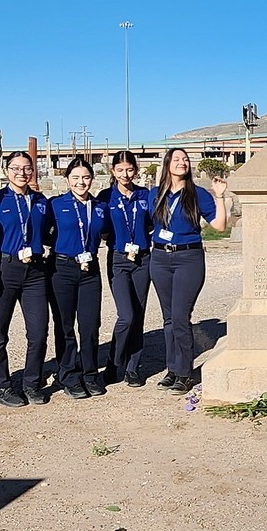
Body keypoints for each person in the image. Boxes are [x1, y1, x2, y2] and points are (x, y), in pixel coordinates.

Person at [148, 148, 228, 394]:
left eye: (185, 159)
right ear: (167, 165)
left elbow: (220, 225)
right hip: (160, 258)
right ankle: (172, 369)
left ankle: (184, 372)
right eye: (176, 159)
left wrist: (220, 196)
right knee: (168, 318)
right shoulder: (155, 194)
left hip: (188, 258)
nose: (182, 162)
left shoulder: (198, 194)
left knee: (180, 316)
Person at [0, 151, 52, 408]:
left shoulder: (41, 201)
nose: (22, 173)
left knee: (38, 331)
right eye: (16, 168)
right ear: (6, 170)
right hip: (5, 268)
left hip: (35, 270)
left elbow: (50, 232)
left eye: (27, 168)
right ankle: (1, 385)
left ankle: (31, 382)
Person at [49, 156, 110, 399]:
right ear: (67, 180)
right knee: (65, 325)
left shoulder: (100, 207)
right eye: (75, 177)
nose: (81, 182)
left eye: (85, 177)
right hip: (62, 268)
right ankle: (68, 375)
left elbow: (107, 232)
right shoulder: (55, 204)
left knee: (90, 324)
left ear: (92, 179)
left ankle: (90, 373)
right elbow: (43, 233)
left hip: (90, 270)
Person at [99, 150, 152, 388]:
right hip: (119, 259)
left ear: (136, 170)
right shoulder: (105, 196)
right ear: (113, 171)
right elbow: (100, 227)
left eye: (129, 170)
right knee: (126, 315)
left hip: (142, 259)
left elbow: (151, 223)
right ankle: (114, 361)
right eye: (120, 170)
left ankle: (132, 368)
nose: (125, 174)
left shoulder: (144, 195)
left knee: (138, 315)